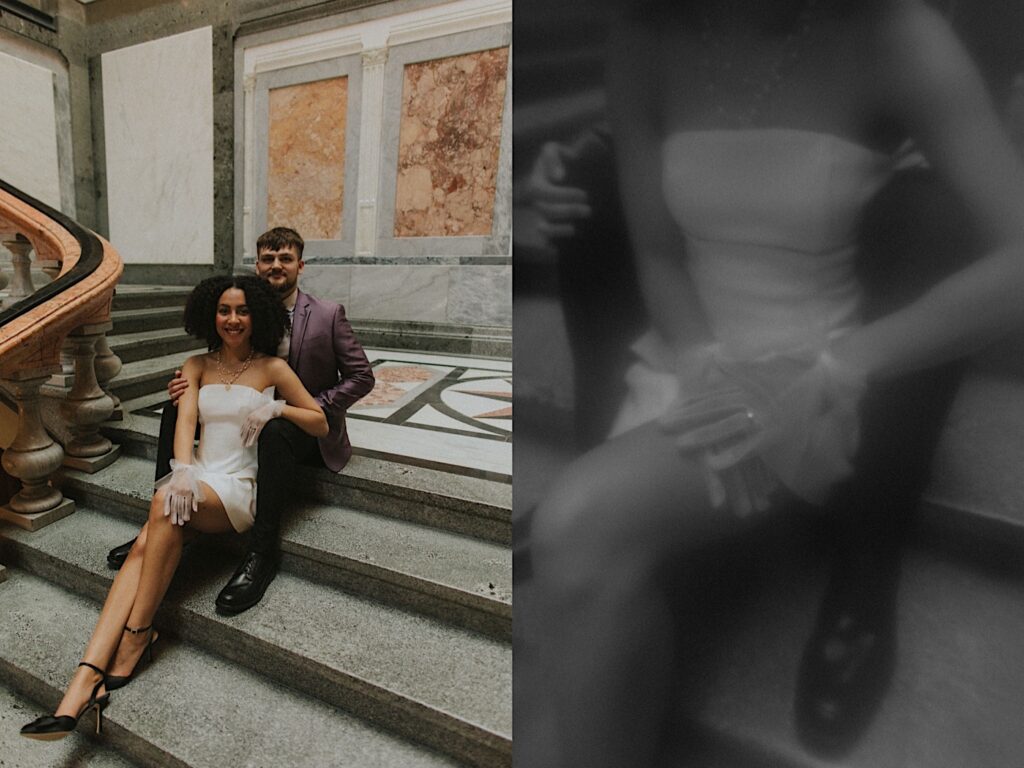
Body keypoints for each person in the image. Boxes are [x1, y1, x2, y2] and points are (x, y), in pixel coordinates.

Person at [524, 1, 1024, 766]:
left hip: (815, 379)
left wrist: (848, 363)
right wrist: (705, 372)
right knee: (565, 674)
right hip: (686, 355)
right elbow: (658, 255)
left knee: (576, 527)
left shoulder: (891, 30)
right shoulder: (646, 34)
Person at [20, 275, 328, 740]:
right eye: (224, 310)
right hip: (194, 481)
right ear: (212, 315)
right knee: (145, 544)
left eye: (242, 310)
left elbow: (320, 423)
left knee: (159, 511)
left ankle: (139, 634)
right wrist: (182, 470)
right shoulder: (195, 364)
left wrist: (276, 410)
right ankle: (82, 685)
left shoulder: (273, 368)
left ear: (257, 316)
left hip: (235, 489)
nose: (232, 319)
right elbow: (185, 422)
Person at [106, 227, 375, 614]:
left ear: (300, 264)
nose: (276, 266)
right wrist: (186, 388)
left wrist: (295, 405)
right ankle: (164, 521)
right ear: (257, 265)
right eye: (268, 258)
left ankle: (261, 554)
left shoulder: (328, 314)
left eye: (285, 258)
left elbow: (362, 377)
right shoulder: (246, 310)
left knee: (275, 430)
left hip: (299, 427)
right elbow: (224, 371)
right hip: (243, 424)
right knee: (173, 411)